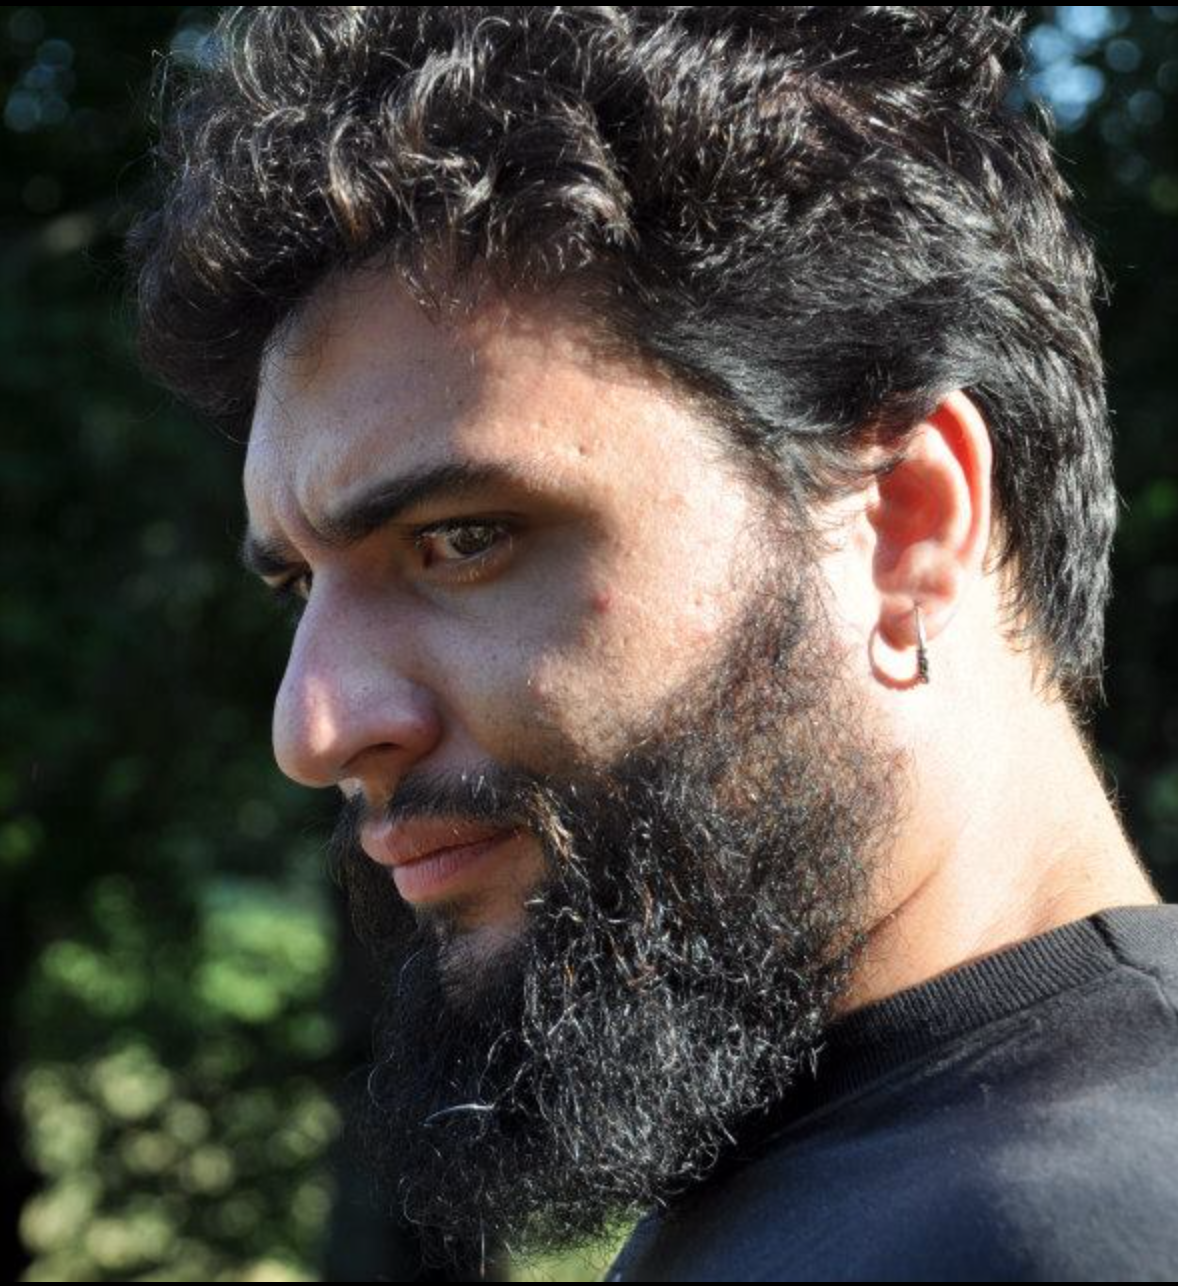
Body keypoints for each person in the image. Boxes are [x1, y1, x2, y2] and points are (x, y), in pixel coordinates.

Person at [124, 7, 1176, 1280]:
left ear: (906, 523)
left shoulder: (1091, 1227)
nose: (312, 728)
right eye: (300, 584)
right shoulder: (829, 1154)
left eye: (462, 538)